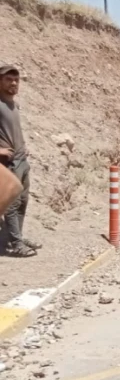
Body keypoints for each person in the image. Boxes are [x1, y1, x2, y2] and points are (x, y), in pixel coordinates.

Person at [0, 64, 38, 257]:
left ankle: (17, 237)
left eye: (16, 79)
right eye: (8, 79)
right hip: (8, 164)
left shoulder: (13, 104)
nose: (13, 83)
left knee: (22, 202)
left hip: (21, 161)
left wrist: (23, 146)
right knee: (13, 205)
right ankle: (15, 244)